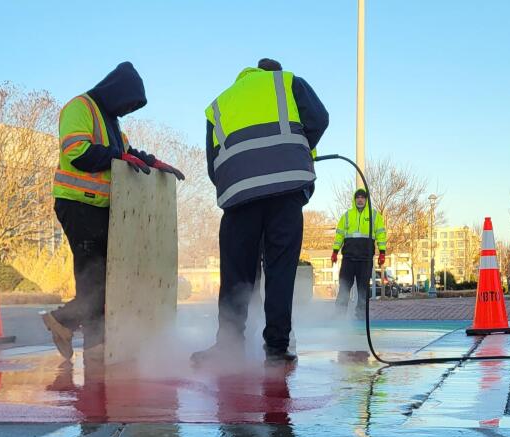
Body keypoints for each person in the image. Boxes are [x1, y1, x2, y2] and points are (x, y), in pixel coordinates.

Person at [42, 62, 184, 362]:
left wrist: (154, 163)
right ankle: (74, 330)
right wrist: (119, 156)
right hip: (78, 203)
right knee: (95, 282)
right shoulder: (80, 107)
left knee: (109, 282)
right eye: (128, 103)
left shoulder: (113, 124)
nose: (128, 110)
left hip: (102, 208)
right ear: (117, 91)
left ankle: (82, 337)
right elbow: (78, 153)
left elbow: (127, 154)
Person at [192, 58, 329, 367]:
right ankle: (277, 349)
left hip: (239, 195)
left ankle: (228, 345)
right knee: (280, 269)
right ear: (274, 72)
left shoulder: (219, 103)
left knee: (236, 272)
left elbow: (213, 163)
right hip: (286, 190)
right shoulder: (288, 82)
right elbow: (319, 120)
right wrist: (295, 152)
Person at [332, 189, 387, 320]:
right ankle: (339, 317)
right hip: (348, 259)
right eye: (358, 197)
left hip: (365, 259)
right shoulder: (347, 216)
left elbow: (381, 234)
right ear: (354, 199)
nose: (360, 199)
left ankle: (361, 317)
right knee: (344, 287)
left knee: (363, 290)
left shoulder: (374, 215)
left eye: (363, 197)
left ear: (366, 199)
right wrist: (335, 251)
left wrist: (382, 252)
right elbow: (339, 234)